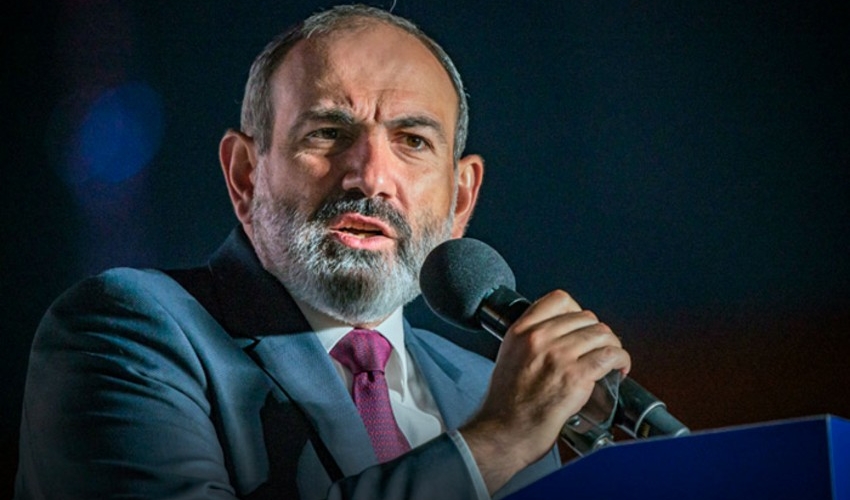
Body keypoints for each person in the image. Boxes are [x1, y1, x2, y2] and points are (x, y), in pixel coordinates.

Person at [15, 4, 630, 499]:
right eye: (329, 133)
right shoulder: (123, 331)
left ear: (461, 197)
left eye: (412, 141)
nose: (370, 176)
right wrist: (494, 443)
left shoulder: (486, 389)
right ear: (246, 175)